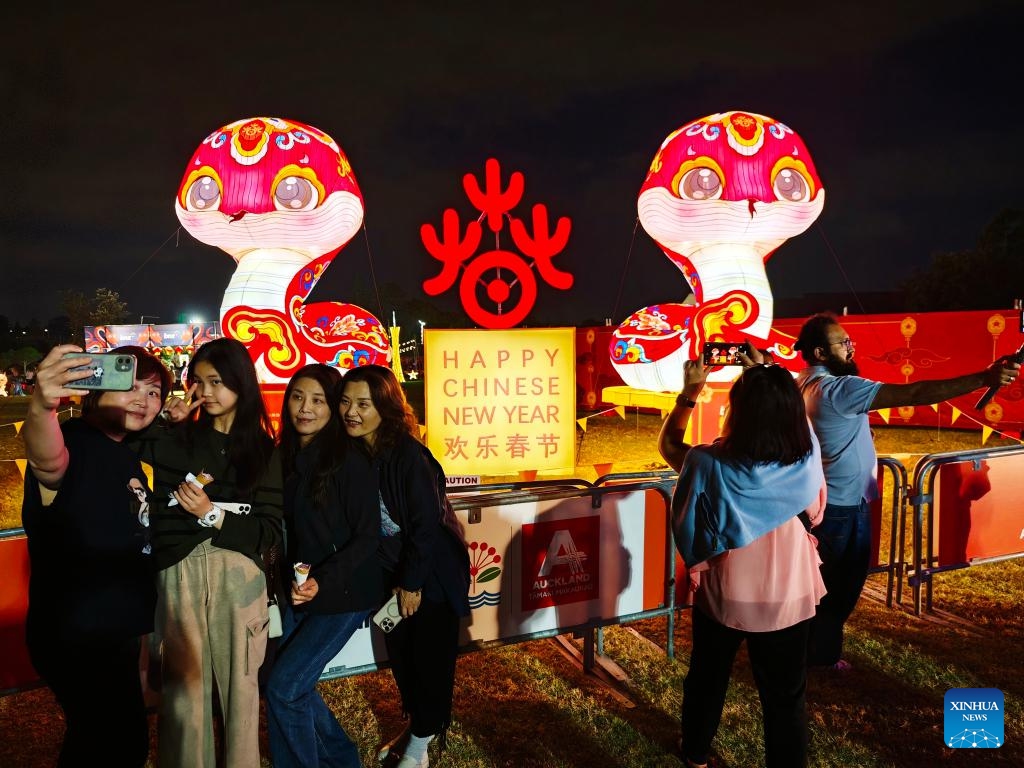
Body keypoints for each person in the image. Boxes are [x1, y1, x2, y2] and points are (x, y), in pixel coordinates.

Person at [790, 313, 1021, 671]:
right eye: (842, 343)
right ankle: (818, 657)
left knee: (823, 586)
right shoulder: (840, 389)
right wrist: (983, 378)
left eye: (849, 341)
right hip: (842, 508)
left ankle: (813, 653)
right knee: (840, 588)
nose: (851, 348)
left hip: (825, 503)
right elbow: (915, 391)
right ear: (820, 351)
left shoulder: (804, 381)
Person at [658, 357, 827, 768]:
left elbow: (668, 448)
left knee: (708, 678)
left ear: (737, 411)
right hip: (790, 592)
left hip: (726, 592)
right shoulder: (806, 457)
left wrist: (690, 392)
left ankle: (696, 751)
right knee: (786, 696)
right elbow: (818, 509)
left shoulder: (707, 463)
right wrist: (769, 374)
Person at [134, 337, 283, 768]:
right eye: (197, 382)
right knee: (183, 694)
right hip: (177, 571)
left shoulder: (263, 450)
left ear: (241, 384)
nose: (206, 392)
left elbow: (268, 532)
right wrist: (164, 416)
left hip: (238, 576)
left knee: (241, 688)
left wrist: (212, 515)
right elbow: (123, 443)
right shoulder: (174, 438)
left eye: (217, 381)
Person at [21, 344, 172, 767]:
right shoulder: (73, 441)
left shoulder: (124, 453)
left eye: (154, 392)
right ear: (94, 389)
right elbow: (47, 461)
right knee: (113, 745)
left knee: (106, 741)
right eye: (128, 384)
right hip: (78, 636)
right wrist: (43, 404)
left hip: (113, 632)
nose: (143, 399)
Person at [340, 364, 470, 768]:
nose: (351, 412)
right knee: (403, 658)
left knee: (429, 659)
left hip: (428, 572)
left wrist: (412, 582)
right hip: (391, 571)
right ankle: (415, 731)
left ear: (387, 407)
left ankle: (418, 750)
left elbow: (425, 523)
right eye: (345, 401)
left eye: (364, 403)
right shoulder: (356, 451)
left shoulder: (408, 455)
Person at [265, 364, 383, 768]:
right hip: (301, 589)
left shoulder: (348, 461)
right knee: (284, 683)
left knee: (285, 686)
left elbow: (368, 536)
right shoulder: (285, 455)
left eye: (318, 400)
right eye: (298, 396)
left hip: (345, 591)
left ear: (333, 407)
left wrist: (323, 579)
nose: (305, 408)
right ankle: (342, 758)